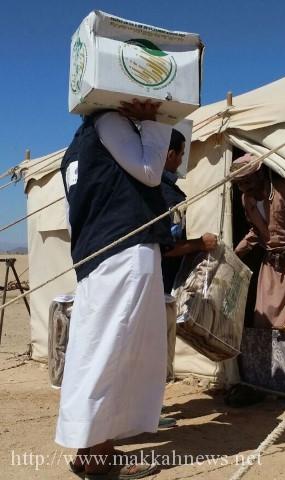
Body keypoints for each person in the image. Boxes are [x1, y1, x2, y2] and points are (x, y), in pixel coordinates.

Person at [57, 99, 174, 478]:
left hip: (97, 256)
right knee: (116, 351)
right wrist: (154, 123)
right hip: (124, 251)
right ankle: (100, 455)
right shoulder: (109, 121)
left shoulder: (77, 145)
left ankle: (89, 448)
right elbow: (150, 172)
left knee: (96, 349)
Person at [231, 153, 285, 333]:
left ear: (259, 175)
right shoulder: (246, 199)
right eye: (240, 184)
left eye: (248, 181)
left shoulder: (284, 189)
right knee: (265, 318)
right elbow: (256, 230)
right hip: (270, 267)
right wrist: (235, 253)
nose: (245, 187)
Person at [159, 128, 217, 381]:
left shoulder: (149, 189)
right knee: (157, 343)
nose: (182, 160)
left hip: (156, 282)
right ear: (169, 154)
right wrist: (200, 244)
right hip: (159, 283)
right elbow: (167, 247)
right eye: (181, 154)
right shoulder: (164, 195)